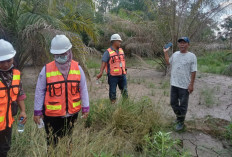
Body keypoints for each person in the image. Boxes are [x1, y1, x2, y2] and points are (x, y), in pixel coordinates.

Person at [33, 35, 89, 147]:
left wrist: (86, 107)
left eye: (63, 54)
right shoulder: (46, 69)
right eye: (57, 55)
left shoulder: (77, 68)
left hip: (72, 114)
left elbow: (83, 88)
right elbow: (40, 91)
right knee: (52, 143)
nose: (61, 56)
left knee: (68, 140)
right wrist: (37, 111)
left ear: (69, 52)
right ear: (53, 54)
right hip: (52, 116)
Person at [163, 37, 197, 131]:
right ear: (178, 45)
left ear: (188, 45)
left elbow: (194, 71)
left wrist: (191, 84)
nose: (182, 44)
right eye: (180, 43)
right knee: (173, 103)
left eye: (184, 43)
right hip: (174, 84)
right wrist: (165, 52)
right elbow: (168, 62)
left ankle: (181, 122)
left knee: (183, 105)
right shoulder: (175, 54)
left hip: (185, 86)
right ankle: (179, 118)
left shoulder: (192, 56)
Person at [0, 39, 27, 157]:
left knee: (4, 149)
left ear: (13, 59)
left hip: (7, 122)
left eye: (8, 60)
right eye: (1, 61)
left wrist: (23, 111)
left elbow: (19, 95)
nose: (5, 64)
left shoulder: (16, 74)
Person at [97, 34, 128, 103]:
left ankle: (126, 105)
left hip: (122, 75)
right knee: (112, 92)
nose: (120, 43)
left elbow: (123, 61)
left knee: (125, 91)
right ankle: (113, 105)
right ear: (114, 42)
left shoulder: (121, 50)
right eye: (119, 41)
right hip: (113, 76)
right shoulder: (108, 52)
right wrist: (101, 72)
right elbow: (104, 62)